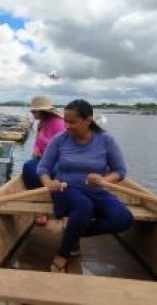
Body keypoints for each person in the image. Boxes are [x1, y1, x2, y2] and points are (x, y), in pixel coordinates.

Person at [36, 99, 133, 273]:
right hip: (65, 189)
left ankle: (72, 232)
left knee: (123, 219)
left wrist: (104, 181)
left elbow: (120, 171)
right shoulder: (60, 140)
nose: (66, 126)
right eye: (65, 121)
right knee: (83, 206)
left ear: (88, 120)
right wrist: (49, 183)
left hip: (95, 190)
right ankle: (63, 253)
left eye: (72, 122)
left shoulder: (106, 140)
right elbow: (43, 168)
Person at [22, 96, 65, 225]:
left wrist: (43, 143)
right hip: (44, 159)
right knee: (28, 168)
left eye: (35, 111)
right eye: (32, 110)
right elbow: (37, 143)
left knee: (58, 172)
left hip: (58, 159)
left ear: (43, 111)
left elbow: (62, 146)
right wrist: (35, 150)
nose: (32, 113)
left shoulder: (58, 123)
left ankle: (60, 206)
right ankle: (39, 207)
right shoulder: (41, 123)